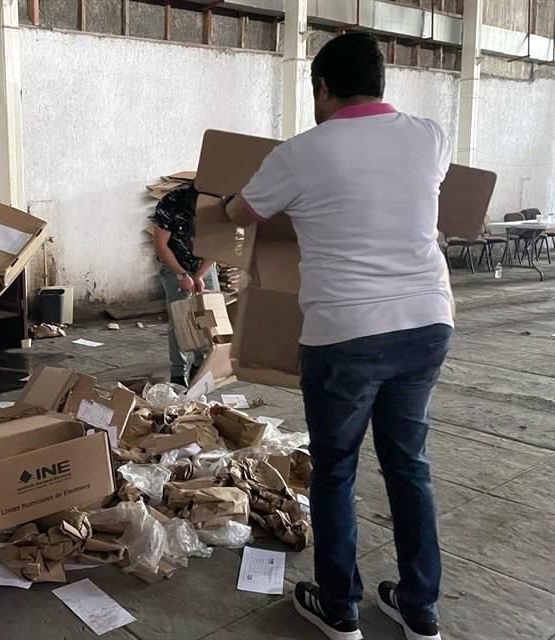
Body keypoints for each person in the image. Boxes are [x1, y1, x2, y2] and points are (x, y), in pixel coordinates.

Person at [223, 33, 452, 640]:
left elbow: (242, 213)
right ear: (381, 81)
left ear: (321, 88)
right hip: (427, 323)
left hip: (345, 332)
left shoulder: (302, 153)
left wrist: (222, 202)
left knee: (336, 469)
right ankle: (420, 609)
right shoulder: (430, 136)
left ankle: (340, 606)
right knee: (409, 466)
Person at [151, 183, 219, 386]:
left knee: (206, 319)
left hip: (204, 265)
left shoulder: (220, 205)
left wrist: (200, 275)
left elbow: (217, 245)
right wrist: (181, 274)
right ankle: (178, 372)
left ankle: (201, 364)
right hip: (175, 264)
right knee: (179, 320)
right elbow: (161, 245)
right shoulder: (171, 203)